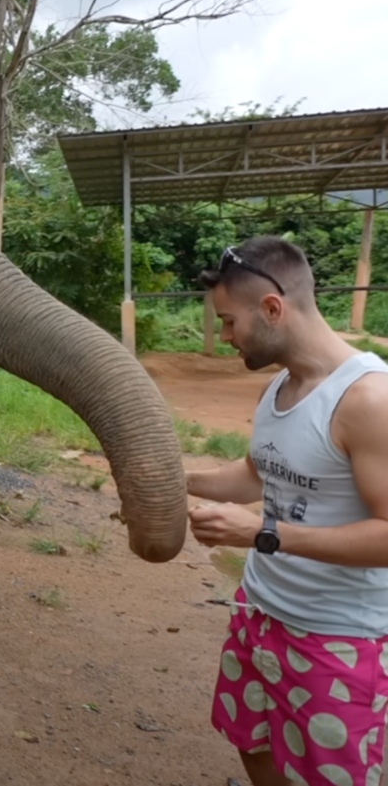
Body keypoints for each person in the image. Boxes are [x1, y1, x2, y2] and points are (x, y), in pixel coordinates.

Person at [186, 236, 388, 786]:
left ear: (273, 308)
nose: (225, 335)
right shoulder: (279, 386)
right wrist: (173, 479)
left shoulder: (368, 399)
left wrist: (262, 534)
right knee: (252, 741)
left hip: (337, 637)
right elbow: (257, 474)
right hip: (260, 610)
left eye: (229, 321)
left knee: (329, 776)